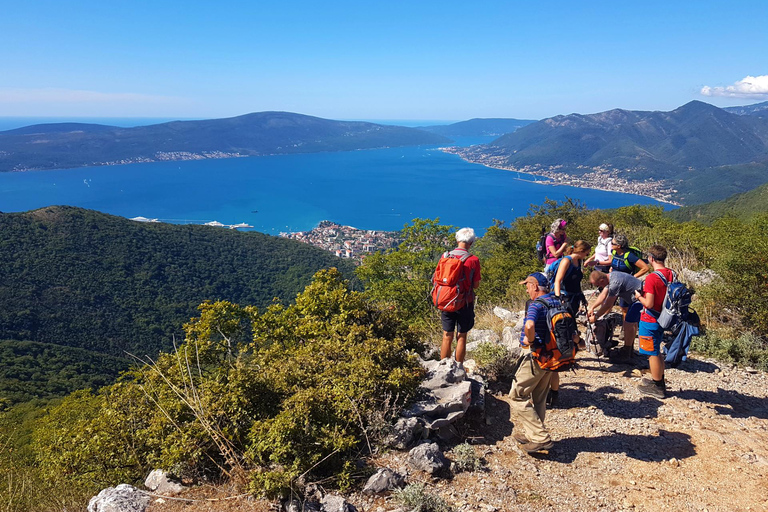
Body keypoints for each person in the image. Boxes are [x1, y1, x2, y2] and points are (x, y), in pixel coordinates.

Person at [510, 272, 577, 453]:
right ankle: (534, 434)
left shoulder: (535, 305)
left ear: (535, 286)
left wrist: (529, 342)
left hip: (538, 356)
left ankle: (540, 437)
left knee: (516, 395)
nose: (526, 289)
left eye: (527, 285)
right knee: (539, 397)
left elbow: (529, 326)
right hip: (554, 357)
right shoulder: (558, 301)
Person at [634, 245, 674, 398]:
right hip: (664, 317)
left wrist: (638, 296)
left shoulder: (652, 278)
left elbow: (649, 303)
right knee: (656, 350)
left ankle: (658, 387)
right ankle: (659, 381)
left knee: (652, 353)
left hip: (650, 318)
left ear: (651, 258)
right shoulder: (671, 273)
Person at [440, 227, 481, 364]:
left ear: (457, 240)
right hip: (465, 302)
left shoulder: (445, 256)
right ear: (471, 243)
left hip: (446, 300)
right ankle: (459, 368)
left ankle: (443, 367)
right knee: (461, 336)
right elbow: (475, 285)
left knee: (447, 335)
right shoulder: (473, 260)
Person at [587, 270, 643, 364]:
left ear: (601, 280)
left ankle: (626, 353)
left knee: (628, 324)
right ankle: (629, 349)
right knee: (630, 324)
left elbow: (608, 304)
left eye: (597, 285)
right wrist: (592, 307)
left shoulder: (615, 283)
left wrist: (596, 317)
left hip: (639, 299)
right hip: (634, 300)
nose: (598, 287)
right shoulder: (610, 277)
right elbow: (603, 295)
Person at [553, 240, 591, 317]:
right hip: (565, 296)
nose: (586, 256)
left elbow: (576, 281)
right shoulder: (566, 261)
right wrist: (558, 298)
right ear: (581, 251)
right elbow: (557, 280)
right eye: (587, 254)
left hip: (574, 297)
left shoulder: (579, 261)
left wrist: (581, 296)